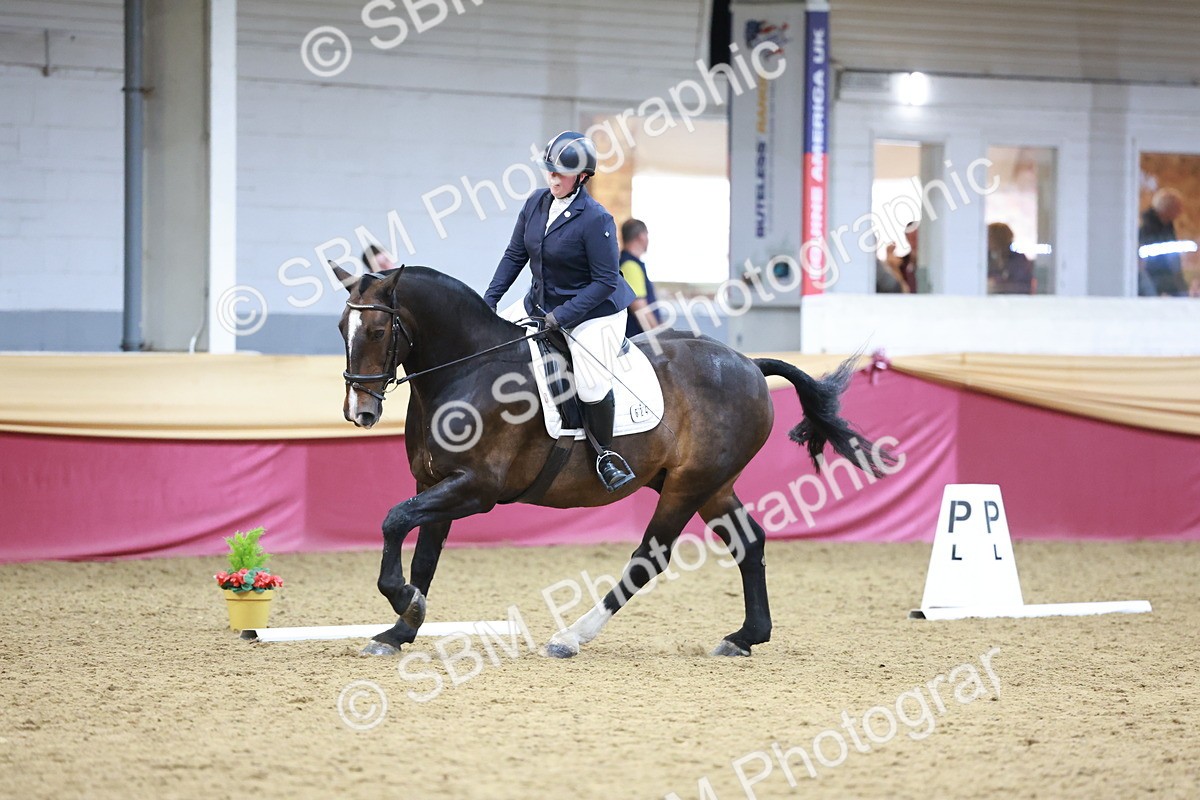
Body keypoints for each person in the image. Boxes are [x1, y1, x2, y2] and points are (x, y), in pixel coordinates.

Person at [484, 131, 636, 492]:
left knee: (589, 380)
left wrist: (560, 317)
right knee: (489, 345)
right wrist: (487, 303)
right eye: (549, 171)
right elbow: (514, 256)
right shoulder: (535, 203)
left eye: (561, 174)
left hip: (594, 312)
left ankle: (605, 456)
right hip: (539, 302)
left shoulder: (596, 219)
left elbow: (604, 282)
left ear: (582, 177)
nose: (553, 179)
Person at [1138, 188, 1188, 297]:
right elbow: (1150, 263)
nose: (1180, 212)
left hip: (1167, 283)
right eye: (1177, 208)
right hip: (1155, 285)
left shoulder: (1167, 228)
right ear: (1167, 209)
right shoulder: (1147, 231)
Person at [618, 218, 663, 337]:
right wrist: (661, 339)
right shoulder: (630, 266)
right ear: (641, 236)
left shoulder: (627, 263)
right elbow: (640, 309)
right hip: (639, 341)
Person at [986, 223, 1035, 294]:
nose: (987, 241)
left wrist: (998, 284)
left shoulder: (1018, 259)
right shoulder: (985, 258)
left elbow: (1023, 286)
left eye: (990, 237)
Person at [882, 221, 919, 293]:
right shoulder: (901, 264)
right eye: (910, 237)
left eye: (915, 237)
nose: (914, 241)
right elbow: (904, 291)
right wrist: (894, 268)